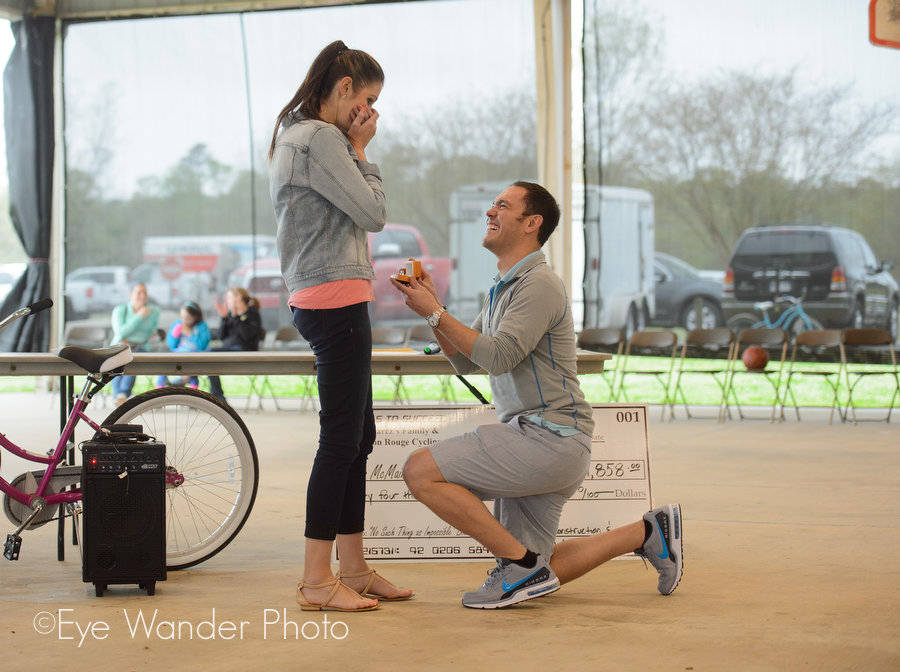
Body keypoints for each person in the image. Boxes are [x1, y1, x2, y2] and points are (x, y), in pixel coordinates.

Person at [393, 181, 683, 609]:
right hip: (545, 439)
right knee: (542, 570)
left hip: (548, 438)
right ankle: (646, 532)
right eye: (492, 205)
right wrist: (435, 308)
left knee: (420, 471)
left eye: (502, 206)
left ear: (532, 223)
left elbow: (500, 356)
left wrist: (436, 313)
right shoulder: (503, 287)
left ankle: (521, 565)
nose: (490, 212)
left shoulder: (539, 284)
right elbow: (469, 361)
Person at [268, 40, 411, 613]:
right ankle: (315, 579)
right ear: (346, 87)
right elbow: (374, 213)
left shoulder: (295, 138)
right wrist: (361, 148)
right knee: (341, 440)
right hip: (334, 299)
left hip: (327, 295)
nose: (371, 112)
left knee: (359, 436)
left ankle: (350, 568)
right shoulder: (323, 140)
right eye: (369, 99)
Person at [207, 287, 263, 403]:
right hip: (229, 350)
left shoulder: (252, 314)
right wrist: (224, 318)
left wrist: (238, 316)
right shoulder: (231, 315)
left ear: (238, 298)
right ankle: (217, 395)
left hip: (245, 351)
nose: (227, 301)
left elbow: (246, 336)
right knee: (206, 356)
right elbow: (222, 336)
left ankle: (217, 397)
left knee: (211, 353)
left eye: (229, 298)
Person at [110, 282, 161, 405]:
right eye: (139, 292)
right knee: (117, 362)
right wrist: (139, 317)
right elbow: (120, 332)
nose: (143, 296)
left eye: (145, 292)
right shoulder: (120, 310)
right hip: (120, 346)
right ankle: (119, 395)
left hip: (140, 347)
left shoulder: (154, 311)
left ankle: (121, 395)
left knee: (133, 359)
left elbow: (151, 331)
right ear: (131, 294)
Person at [156, 301, 211, 389]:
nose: (184, 321)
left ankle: (188, 387)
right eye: (182, 317)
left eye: (188, 318)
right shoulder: (178, 324)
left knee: (193, 372)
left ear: (195, 317)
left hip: (195, 357)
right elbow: (171, 345)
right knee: (164, 366)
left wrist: (190, 334)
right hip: (177, 355)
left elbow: (202, 345)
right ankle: (160, 389)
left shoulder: (202, 326)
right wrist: (175, 335)